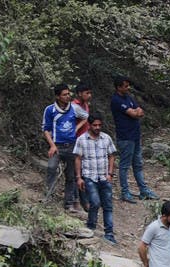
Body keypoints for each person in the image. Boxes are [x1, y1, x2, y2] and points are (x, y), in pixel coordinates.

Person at [110, 75, 158, 203]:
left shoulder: (128, 98)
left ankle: (143, 190)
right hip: (125, 137)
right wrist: (135, 113)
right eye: (125, 86)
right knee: (125, 165)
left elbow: (140, 111)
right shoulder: (116, 100)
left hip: (135, 135)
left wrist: (136, 113)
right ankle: (125, 192)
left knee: (138, 164)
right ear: (118, 87)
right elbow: (133, 113)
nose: (128, 88)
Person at [73, 112, 117, 244]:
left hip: (104, 177)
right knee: (95, 202)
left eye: (99, 125)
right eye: (95, 125)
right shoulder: (82, 139)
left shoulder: (106, 138)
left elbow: (112, 155)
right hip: (89, 177)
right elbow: (78, 158)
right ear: (89, 125)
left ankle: (109, 233)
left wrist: (110, 173)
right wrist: (79, 177)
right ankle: (91, 226)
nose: (97, 127)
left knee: (108, 205)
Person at [43, 83, 81, 213]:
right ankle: (49, 198)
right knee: (51, 168)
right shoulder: (50, 110)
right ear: (58, 96)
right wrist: (52, 145)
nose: (67, 96)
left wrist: (76, 128)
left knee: (71, 175)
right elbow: (46, 130)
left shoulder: (74, 108)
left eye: (68, 94)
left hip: (71, 146)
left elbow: (85, 117)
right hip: (57, 146)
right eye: (64, 94)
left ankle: (69, 203)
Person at [71, 83, 93, 212]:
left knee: (84, 173)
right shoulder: (75, 106)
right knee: (77, 173)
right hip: (76, 143)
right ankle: (78, 202)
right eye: (87, 93)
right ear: (79, 93)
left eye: (90, 93)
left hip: (85, 142)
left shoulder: (85, 105)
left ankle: (85, 200)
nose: (89, 96)